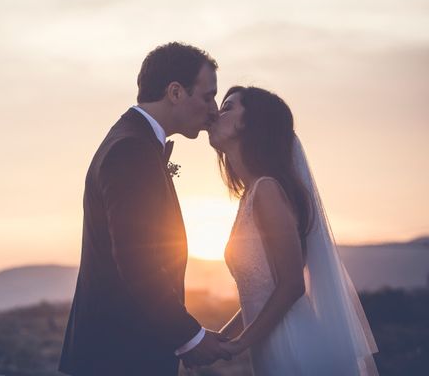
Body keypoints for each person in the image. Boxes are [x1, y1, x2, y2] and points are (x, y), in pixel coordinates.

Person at [59, 42, 230, 375]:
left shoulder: (131, 141)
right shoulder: (131, 151)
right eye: (208, 96)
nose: (213, 110)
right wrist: (189, 338)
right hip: (117, 358)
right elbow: (137, 262)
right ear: (176, 92)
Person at [208, 86, 379, 375]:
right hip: (269, 346)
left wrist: (239, 344)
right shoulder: (250, 196)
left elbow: (291, 285)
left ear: (249, 124)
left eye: (227, 108)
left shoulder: (267, 190)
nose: (214, 115)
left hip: (294, 344)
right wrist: (220, 338)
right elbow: (260, 295)